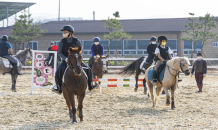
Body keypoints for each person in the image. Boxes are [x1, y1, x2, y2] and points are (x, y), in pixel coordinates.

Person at [52, 25, 99, 95]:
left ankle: (90, 85)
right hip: (66, 61)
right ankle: (58, 87)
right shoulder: (61, 42)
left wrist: (77, 58)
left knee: (89, 70)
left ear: (70, 32)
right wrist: (66, 58)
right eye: (63, 32)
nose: (63, 33)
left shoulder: (76, 41)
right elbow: (59, 52)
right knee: (57, 72)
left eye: (65, 32)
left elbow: (80, 51)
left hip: (76, 61)